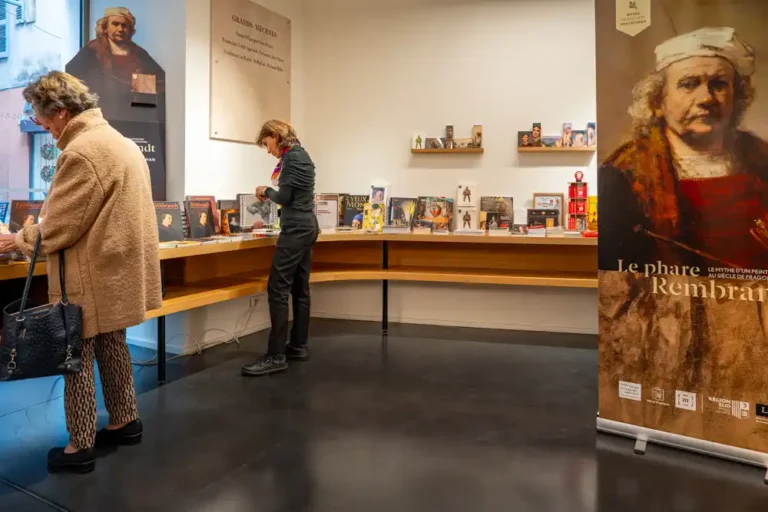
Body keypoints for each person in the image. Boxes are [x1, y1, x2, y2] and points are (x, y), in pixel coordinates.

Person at [598, 27, 768, 431]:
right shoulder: (624, 174)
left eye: (719, 85)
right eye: (689, 84)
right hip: (671, 343)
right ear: (658, 100)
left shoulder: (762, 160)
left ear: (737, 97)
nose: (706, 98)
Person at [0, 71, 162, 474]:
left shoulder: (81, 152)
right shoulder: (120, 142)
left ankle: (80, 445)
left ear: (60, 111)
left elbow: (58, 229)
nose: (41, 124)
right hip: (115, 272)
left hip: (89, 276)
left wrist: (16, 239)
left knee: (75, 356)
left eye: (40, 116)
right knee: (113, 346)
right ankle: (125, 421)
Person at [241, 120, 318, 377]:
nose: (268, 150)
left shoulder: (292, 158)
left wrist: (266, 190)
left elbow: (285, 198)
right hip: (307, 226)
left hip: (295, 229)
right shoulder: (302, 154)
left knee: (277, 289)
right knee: (300, 288)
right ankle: (297, 346)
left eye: (267, 143)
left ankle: (275, 356)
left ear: (275, 135)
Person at [65, 7, 165, 122]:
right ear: (105, 27)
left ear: (130, 30)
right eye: (115, 24)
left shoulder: (139, 54)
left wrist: (135, 84)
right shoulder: (92, 51)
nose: (120, 29)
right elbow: (71, 77)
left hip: (133, 118)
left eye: (124, 25)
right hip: (101, 117)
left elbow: (159, 81)